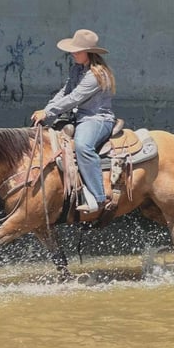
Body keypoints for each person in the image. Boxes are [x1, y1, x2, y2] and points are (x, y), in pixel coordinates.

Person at [31, 29, 116, 213]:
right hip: (79, 117)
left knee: (83, 146)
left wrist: (47, 112)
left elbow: (74, 98)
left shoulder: (96, 75)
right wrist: (47, 111)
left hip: (96, 118)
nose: (73, 53)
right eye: (73, 50)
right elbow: (65, 92)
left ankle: (98, 198)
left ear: (89, 52)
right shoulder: (77, 69)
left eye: (77, 51)